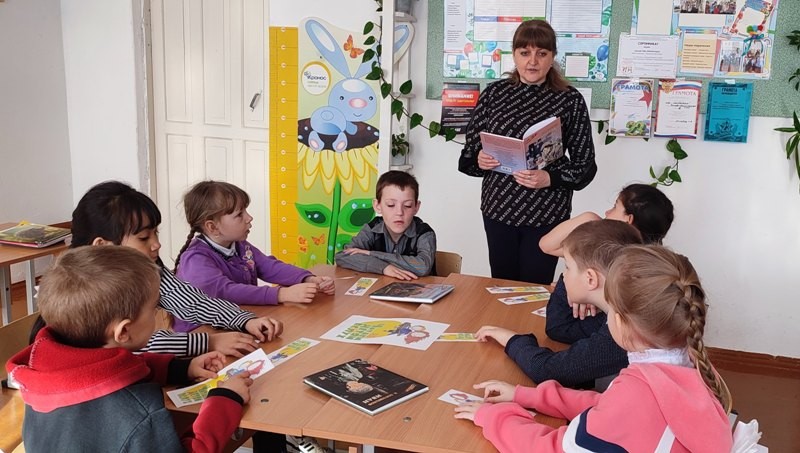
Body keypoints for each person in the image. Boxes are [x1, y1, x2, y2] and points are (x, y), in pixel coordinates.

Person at [456, 245, 733, 452]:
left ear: (620, 321)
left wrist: (493, 417)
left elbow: (554, 449)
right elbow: (607, 407)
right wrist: (527, 396)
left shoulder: (637, 390)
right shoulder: (688, 369)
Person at [8, 246, 254, 452]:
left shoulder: (41, 378)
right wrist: (225, 400)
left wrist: (181, 368)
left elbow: (115, 369)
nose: (157, 313)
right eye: (154, 308)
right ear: (124, 331)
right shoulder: (138, 411)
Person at [31, 181, 282, 357]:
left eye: (155, 233)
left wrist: (243, 320)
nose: (156, 244)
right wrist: (208, 341)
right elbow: (141, 343)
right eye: (143, 238)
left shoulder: (146, 268)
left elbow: (192, 302)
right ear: (102, 246)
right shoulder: (85, 291)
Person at [458, 19, 596, 285]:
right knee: (501, 285)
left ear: (552, 57)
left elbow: (585, 166)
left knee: (536, 287)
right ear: (514, 55)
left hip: (547, 213)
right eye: (525, 53)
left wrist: (549, 178)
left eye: (541, 53)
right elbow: (468, 156)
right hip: (499, 210)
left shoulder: (570, 99)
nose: (532, 61)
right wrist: (480, 159)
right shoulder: (494, 94)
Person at [476, 220, 642, 389]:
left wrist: (512, 340)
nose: (563, 275)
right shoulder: (622, 310)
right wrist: (575, 289)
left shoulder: (625, 330)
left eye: (567, 267)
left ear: (590, 279)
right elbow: (560, 328)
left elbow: (547, 372)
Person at [174, 180, 335, 332]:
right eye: (239, 214)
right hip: (203, 335)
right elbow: (226, 292)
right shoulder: (195, 259)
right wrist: (282, 294)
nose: (249, 218)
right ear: (212, 227)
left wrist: (307, 278)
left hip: (239, 320)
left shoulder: (240, 245)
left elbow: (269, 266)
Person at [540, 183, 673, 322]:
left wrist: (589, 218)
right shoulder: (655, 264)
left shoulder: (621, 262)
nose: (607, 212)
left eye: (615, 207)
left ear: (628, 219)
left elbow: (547, 245)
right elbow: (547, 245)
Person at [334, 170, 437, 280]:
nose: (399, 212)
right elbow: (343, 256)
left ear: (416, 207)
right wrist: (384, 268)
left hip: (418, 288)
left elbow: (423, 267)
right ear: (377, 206)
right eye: (391, 205)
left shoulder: (424, 233)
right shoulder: (372, 228)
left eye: (407, 205)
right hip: (380, 286)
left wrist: (371, 254)